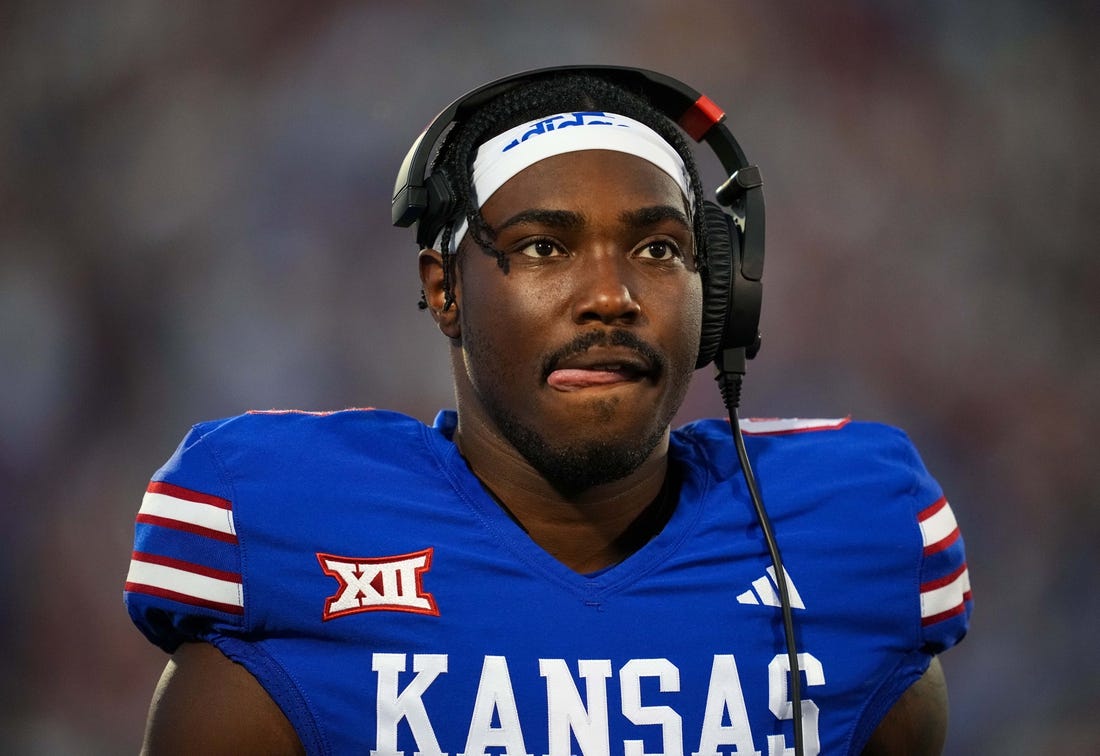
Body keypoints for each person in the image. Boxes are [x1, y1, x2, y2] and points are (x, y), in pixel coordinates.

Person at [124, 67, 971, 756]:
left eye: (658, 248)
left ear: (718, 292)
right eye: (544, 246)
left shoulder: (853, 534)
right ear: (443, 289)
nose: (610, 296)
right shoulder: (280, 530)